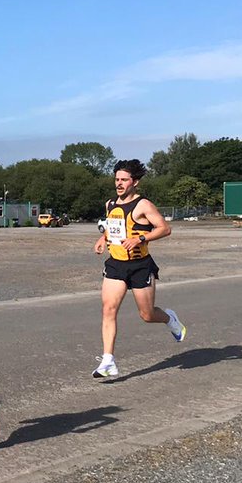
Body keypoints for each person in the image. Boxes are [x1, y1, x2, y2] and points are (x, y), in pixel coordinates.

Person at [92, 158, 186, 378]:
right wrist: (101, 238)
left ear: (135, 182)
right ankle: (108, 361)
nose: (119, 183)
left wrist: (140, 238)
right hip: (115, 264)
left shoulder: (143, 205)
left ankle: (170, 319)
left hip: (140, 266)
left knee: (146, 314)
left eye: (124, 180)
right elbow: (113, 226)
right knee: (108, 309)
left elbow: (165, 229)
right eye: (117, 179)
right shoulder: (110, 204)